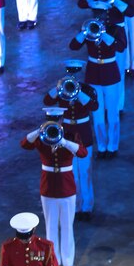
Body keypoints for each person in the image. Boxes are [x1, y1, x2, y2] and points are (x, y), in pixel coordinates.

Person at [22, 108, 86, 266]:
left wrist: (63, 141)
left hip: (66, 187)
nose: (54, 122)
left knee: (67, 226)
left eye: (56, 119)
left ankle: (68, 263)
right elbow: (24, 144)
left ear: (61, 119)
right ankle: (54, 263)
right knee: (50, 228)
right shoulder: (42, 138)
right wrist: (39, 130)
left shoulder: (70, 135)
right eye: (50, 119)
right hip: (48, 187)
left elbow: (82, 152)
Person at [69, 2, 126, 158]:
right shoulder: (88, 29)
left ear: (106, 13)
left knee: (113, 113)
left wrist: (104, 33)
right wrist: (84, 32)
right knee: (98, 114)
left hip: (110, 74)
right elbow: (73, 46)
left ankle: (112, 146)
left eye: (101, 13)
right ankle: (101, 147)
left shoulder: (115, 29)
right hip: (94, 75)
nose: (98, 16)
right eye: (96, 12)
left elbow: (121, 47)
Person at [43, 60, 98, 221]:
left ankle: (87, 207)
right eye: (70, 73)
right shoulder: (62, 90)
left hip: (83, 135)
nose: (72, 76)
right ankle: (74, 206)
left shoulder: (87, 90)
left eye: (75, 73)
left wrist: (79, 92)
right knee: (71, 173)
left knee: (85, 172)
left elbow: (94, 106)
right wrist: (59, 86)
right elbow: (47, 100)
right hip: (67, 136)